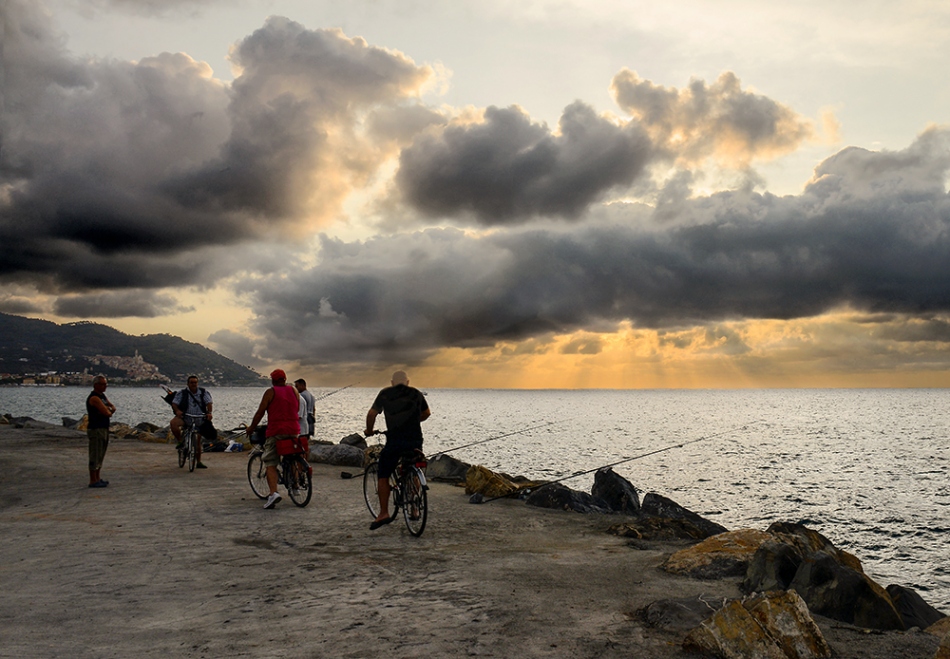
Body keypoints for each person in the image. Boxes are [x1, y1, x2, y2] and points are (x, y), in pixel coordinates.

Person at [364, 370, 430, 530]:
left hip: (395, 441)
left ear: (392, 382)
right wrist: (412, 421)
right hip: (415, 440)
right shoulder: (416, 393)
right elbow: (426, 413)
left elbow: (372, 414)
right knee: (411, 465)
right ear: (407, 382)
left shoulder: (385, 394)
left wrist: (369, 430)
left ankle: (383, 513)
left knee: (383, 473)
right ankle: (414, 508)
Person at [246, 369, 300, 509]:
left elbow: (260, 412)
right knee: (291, 456)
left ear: (272, 380)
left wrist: (251, 427)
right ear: (285, 379)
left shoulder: (270, 392)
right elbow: (297, 408)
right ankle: (295, 486)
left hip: (276, 431)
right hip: (293, 430)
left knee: (270, 461)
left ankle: (273, 494)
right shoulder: (294, 390)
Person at [170, 375, 214, 469]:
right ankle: (180, 441)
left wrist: (209, 413)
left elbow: (209, 403)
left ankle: (198, 462)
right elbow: (174, 403)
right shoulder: (182, 393)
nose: (193, 384)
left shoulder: (203, 392)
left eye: (195, 382)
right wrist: (177, 411)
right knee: (173, 424)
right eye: (191, 382)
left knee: (197, 441)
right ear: (188, 383)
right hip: (186, 417)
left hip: (199, 418)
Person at [86, 375, 116, 488]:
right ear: (96, 385)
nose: (105, 386)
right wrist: (108, 410)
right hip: (96, 428)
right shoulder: (94, 398)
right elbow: (107, 412)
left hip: (103, 428)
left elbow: (112, 407)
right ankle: (93, 480)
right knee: (95, 453)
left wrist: (108, 409)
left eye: (105, 384)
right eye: (102, 384)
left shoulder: (102, 396)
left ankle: (98, 477)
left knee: (100, 454)